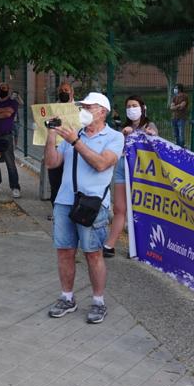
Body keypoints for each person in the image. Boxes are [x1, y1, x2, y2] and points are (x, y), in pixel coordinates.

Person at [44, 92, 124, 324]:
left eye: (88, 107)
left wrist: (75, 142)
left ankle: (98, 301)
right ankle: (67, 297)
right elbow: (52, 162)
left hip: (92, 203)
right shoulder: (74, 132)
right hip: (65, 201)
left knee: (93, 254)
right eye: (83, 107)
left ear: (102, 111)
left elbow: (101, 164)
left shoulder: (114, 137)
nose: (84, 111)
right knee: (65, 251)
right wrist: (51, 135)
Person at [103, 95, 158, 258]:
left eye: (134, 106)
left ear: (142, 108)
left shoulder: (149, 125)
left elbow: (155, 144)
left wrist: (151, 135)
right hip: (122, 167)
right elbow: (117, 145)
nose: (131, 109)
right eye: (128, 106)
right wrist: (123, 134)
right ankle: (110, 244)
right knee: (119, 208)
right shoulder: (124, 127)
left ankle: (138, 248)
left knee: (138, 209)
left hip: (139, 170)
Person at [0, 82, 21, 199]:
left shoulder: (13, 103)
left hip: (6, 135)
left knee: (10, 162)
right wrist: (1, 111)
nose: (2, 90)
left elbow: (8, 113)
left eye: (4, 88)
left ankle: (15, 187)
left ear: (9, 90)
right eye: (0, 88)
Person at [47, 82, 75, 214]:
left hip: (74, 149)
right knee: (55, 182)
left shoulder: (79, 109)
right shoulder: (51, 109)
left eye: (66, 90)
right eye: (61, 90)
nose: (64, 92)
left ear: (72, 92)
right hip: (56, 149)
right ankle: (56, 211)